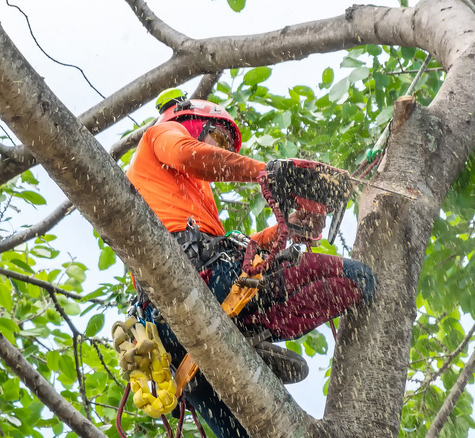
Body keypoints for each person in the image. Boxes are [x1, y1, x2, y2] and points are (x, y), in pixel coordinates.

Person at [125, 89, 375, 438]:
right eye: (219, 137)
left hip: (186, 328)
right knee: (358, 277)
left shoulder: (190, 198)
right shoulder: (163, 135)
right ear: (189, 120)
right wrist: (267, 172)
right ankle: (250, 329)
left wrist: (285, 230)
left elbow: (232, 246)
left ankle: (250, 332)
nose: (223, 149)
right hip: (201, 287)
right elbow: (188, 154)